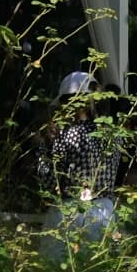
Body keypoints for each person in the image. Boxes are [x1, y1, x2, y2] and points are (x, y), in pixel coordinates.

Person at [36, 71, 121, 260]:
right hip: (103, 212)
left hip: (68, 212)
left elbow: (49, 181)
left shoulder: (60, 137)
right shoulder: (113, 135)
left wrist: (44, 148)